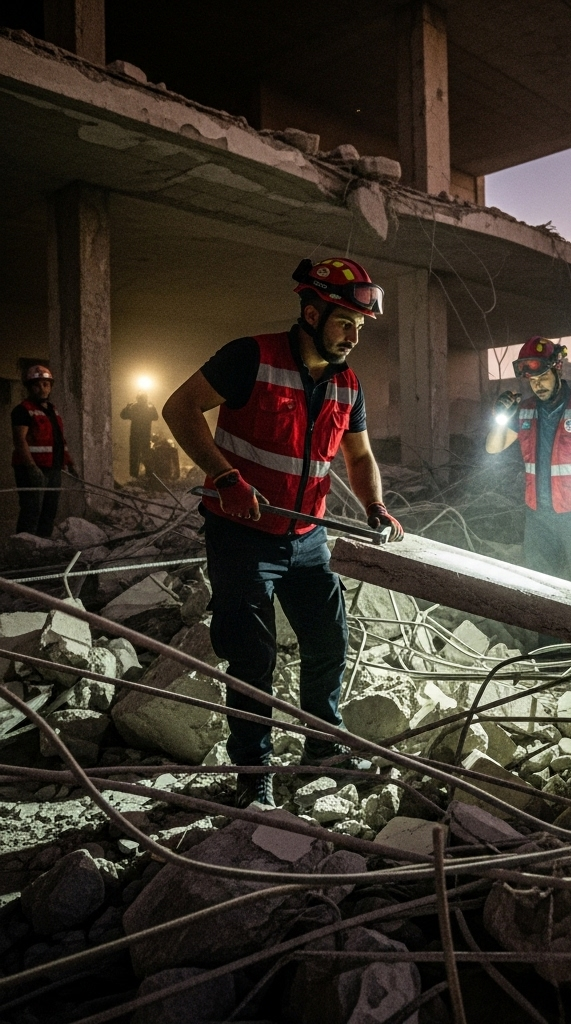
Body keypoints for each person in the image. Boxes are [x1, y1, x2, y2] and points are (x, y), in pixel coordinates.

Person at [163, 256, 403, 809]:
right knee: (252, 657)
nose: (353, 337)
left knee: (327, 641)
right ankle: (253, 771)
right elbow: (179, 408)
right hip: (241, 535)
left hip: (307, 539)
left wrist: (375, 506)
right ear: (311, 311)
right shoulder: (251, 356)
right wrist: (225, 477)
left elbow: (359, 455)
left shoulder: (347, 384)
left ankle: (323, 745)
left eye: (360, 328)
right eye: (345, 323)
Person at [486, 338, 571, 589]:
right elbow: (492, 448)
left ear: (558, 369)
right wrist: (499, 417)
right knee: (541, 592)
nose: (538, 385)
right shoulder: (524, 410)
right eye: (532, 381)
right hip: (538, 519)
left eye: (543, 377)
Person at [10, 364, 77, 537]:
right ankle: (25, 548)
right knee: (31, 510)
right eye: (37, 385)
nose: (42, 388)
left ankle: (43, 545)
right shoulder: (22, 410)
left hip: (53, 468)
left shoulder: (52, 410)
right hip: (32, 469)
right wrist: (32, 468)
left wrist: (69, 462)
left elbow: (59, 440)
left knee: (49, 510)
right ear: (29, 387)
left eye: (46, 384)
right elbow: (19, 440)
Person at [120, 392, 158, 477]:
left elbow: (123, 416)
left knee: (134, 454)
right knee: (146, 454)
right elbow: (155, 417)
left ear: (137, 399)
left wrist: (127, 407)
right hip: (145, 435)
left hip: (135, 435)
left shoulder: (134, 408)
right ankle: (149, 474)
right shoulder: (148, 408)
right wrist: (153, 407)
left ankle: (134, 474)